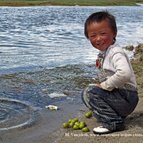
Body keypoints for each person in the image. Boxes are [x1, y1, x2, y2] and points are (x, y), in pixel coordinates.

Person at [82, 11, 139, 134]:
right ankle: (115, 116)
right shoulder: (104, 53)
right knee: (91, 89)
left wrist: (104, 85)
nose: (98, 38)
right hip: (122, 97)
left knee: (89, 93)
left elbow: (124, 73)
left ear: (114, 33)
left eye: (103, 33)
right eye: (93, 35)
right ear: (88, 38)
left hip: (126, 96)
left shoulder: (115, 52)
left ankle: (113, 122)